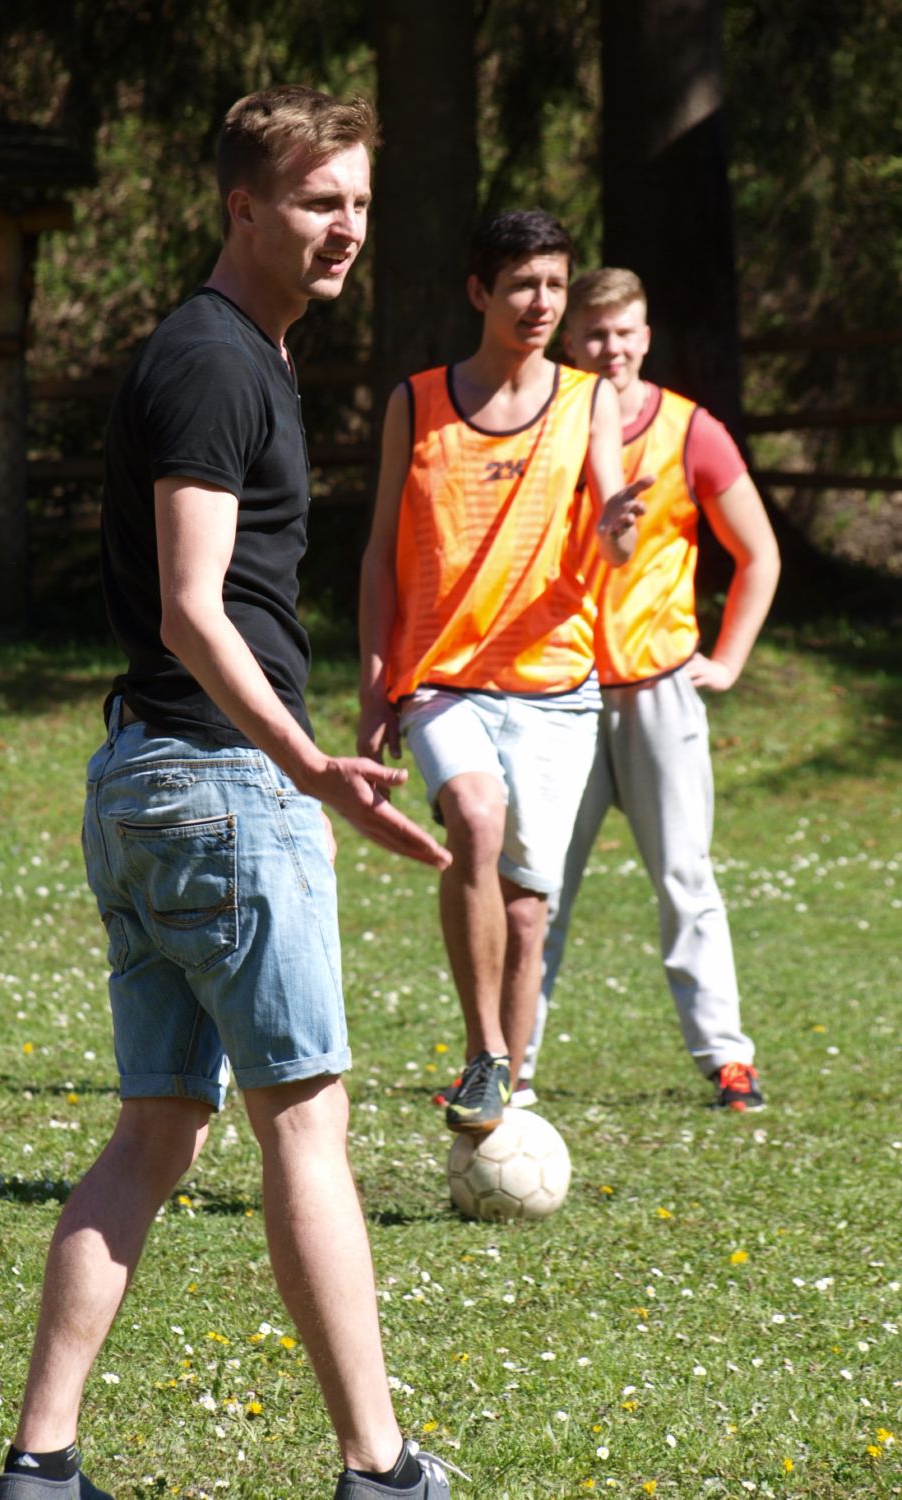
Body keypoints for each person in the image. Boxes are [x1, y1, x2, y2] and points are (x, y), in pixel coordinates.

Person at [0, 86, 459, 1500]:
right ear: (242, 206)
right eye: (320, 201)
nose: (347, 228)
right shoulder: (212, 362)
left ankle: (41, 1463)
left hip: (154, 780)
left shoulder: (245, 352)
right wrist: (304, 762)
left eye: (360, 202)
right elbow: (194, 606)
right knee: (304, 1126)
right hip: (217, 783)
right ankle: (379, 1464)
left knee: (156, 1130)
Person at [358, 210, 649, 1136]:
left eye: (554, 284)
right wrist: (373, 688)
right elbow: (379, 554)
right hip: (442, 674)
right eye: (522, 283)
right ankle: (484, 1050)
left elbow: (610, 530)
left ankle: (506, 1097)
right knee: (475, 819)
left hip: (555, 684)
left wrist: (616, 531)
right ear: (480, 292)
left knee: (527, 915)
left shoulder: (587, 399)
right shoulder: (416, 401)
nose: (541, 302)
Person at [520, 266, 781, 1111]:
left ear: (645, 335)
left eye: (624, 332)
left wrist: (727, 661)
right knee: (537, 887)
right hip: (559, 686)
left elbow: (758, 555)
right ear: (569, 340)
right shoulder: (541, 420)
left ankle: (726, 1060)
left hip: (657, 689)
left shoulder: (690, 430)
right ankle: (505, 1063)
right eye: (595, 334)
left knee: (684, 879)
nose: (611, 348)